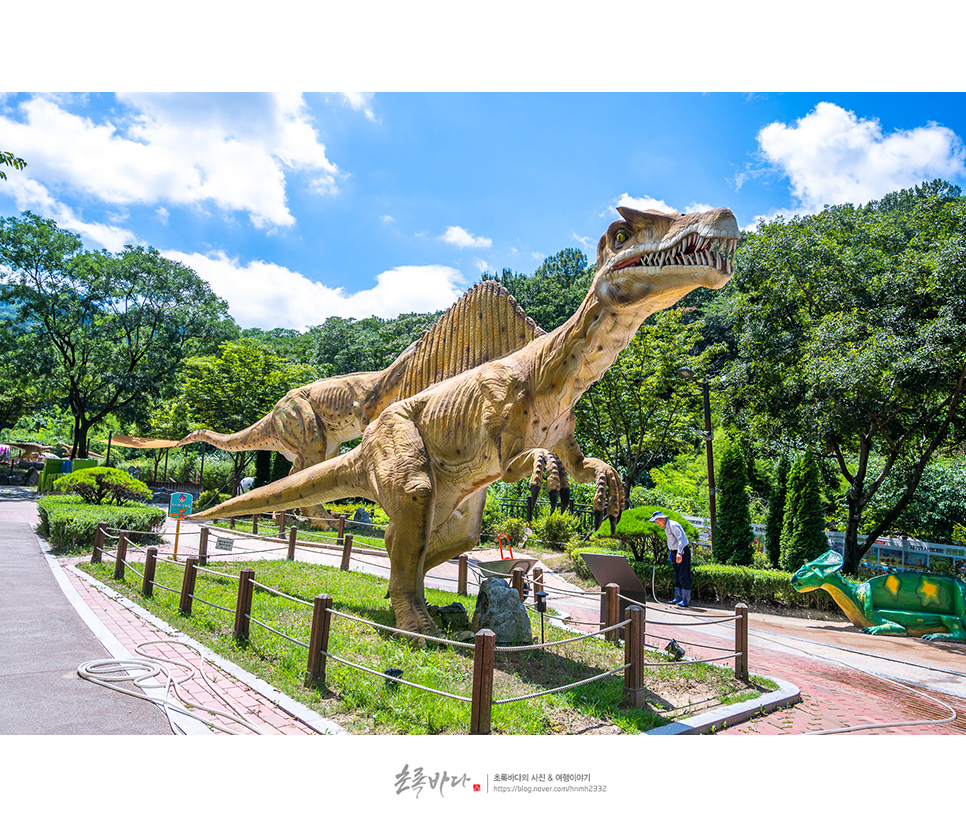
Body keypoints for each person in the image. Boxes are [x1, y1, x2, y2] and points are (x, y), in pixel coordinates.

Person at [650, 511, 692, 607]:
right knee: (676, 575)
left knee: (683, 574)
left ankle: (685, 600)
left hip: (682, 552)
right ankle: (677, 597)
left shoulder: (673, 525)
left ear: (663, 519)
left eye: (658, 521)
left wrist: (679, 553)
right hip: (674, 551)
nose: (658, 524)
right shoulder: (666, 527)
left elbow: (681, 539)